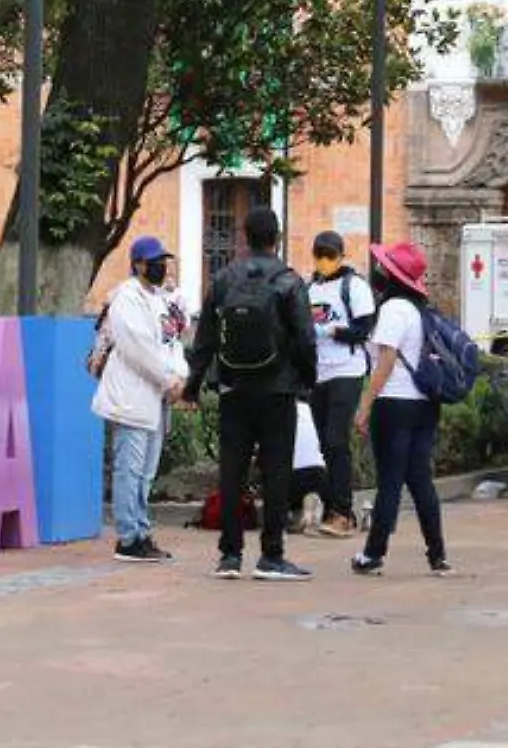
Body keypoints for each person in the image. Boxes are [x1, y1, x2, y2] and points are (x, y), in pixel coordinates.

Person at [184, 207, 314, 583]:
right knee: (276, 471)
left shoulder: (223, 279)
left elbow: (204, 339)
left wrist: (193, 386)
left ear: (244, 236)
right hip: (278, 390)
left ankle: (229, 555)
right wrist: (308, 378)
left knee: (232, 471)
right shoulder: (289, 281)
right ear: (278, 236)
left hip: (233, 389)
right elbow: (305, 337)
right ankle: (271, 555)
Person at [351, 241, 450, 577]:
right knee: (421, 480)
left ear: (391, 276)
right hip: (425, 404)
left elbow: (386, 361)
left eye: (382, 269)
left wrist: (365, 405)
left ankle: (373, 553)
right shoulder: (422, 311)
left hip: (394, 405)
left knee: (390, 481)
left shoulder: (394, 310)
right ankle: (438, 555)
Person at [91, 236, 189, 563]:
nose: (161, 266)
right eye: (154, 261)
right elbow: (139, 349)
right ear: (138, 265)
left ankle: (142, 531)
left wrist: (179, 378)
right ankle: (128, 537)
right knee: (129, 470)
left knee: (146, 472)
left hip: (156, 396)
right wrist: (167, 379)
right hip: (132, 396)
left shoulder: (161, 300)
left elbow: (170, 341)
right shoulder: (126, 299)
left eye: (163, 259)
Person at [304, 230, 375, 539]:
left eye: (329, 255)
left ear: (341, 256)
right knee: (322, 445)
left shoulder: (354, 286)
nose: (324, 261)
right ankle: (334, 505)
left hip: (347, 369)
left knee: (336, 440)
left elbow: (364, 328)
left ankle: (342, 511)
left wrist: (334, 332)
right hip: (319, 372)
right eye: (319, 255)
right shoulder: (309, 289)